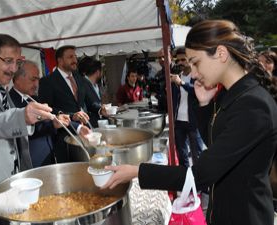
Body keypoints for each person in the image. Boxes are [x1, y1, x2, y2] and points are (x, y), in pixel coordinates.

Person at [103, 20, 277, 225]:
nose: (193, 73)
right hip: (222, 209)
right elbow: (216, 145)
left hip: (245, 215)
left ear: (221, 54)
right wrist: (204, 105)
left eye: (196, 62)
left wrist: (137, 171)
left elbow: (201, 174)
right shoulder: (230, 95)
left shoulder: (253, 104)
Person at [0, 34, 54, 223]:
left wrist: (30, 121)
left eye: (17, 62)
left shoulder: (2, 89)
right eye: (8, 61)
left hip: (9, 185)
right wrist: (21, 116)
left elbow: (11, 130)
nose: (13, 69)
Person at [10, 60, 71, 167]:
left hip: (49, 157)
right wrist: (52, 124)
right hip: (32, 163)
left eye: (38, 79)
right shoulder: (10, 102)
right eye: (33, 79)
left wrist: (72, 118)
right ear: (18, 78)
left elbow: (51, 112)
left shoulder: (34, 97)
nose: (36, 84)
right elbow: (21, 132)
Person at [38, 45, 90, 162]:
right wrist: (72, 115)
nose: (75, 60)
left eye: (75, 56)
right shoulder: (47, 81)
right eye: (70, 57)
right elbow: (47, 109)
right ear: (60, 60)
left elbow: (84, 103)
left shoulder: (79, 78)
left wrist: (99, 109)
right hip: (64, 138)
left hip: (84, 134)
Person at [170, 47, 203, 166]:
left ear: (189, 59)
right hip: (178, 120)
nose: (180, 63)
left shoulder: (197, 75)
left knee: (197, 153)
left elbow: (197, 92)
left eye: (183, 60)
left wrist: (182, 83)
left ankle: (199, 180)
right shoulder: (176, 77)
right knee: (181, 152)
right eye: (177, 60)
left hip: (193, 120)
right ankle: (185, 178)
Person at [79, 57, 108, 127]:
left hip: (96, 122)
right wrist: (100, 109)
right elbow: (90, 105)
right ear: (98, 72)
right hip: (90, 124)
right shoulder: (83, 83)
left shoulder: (94, 85)